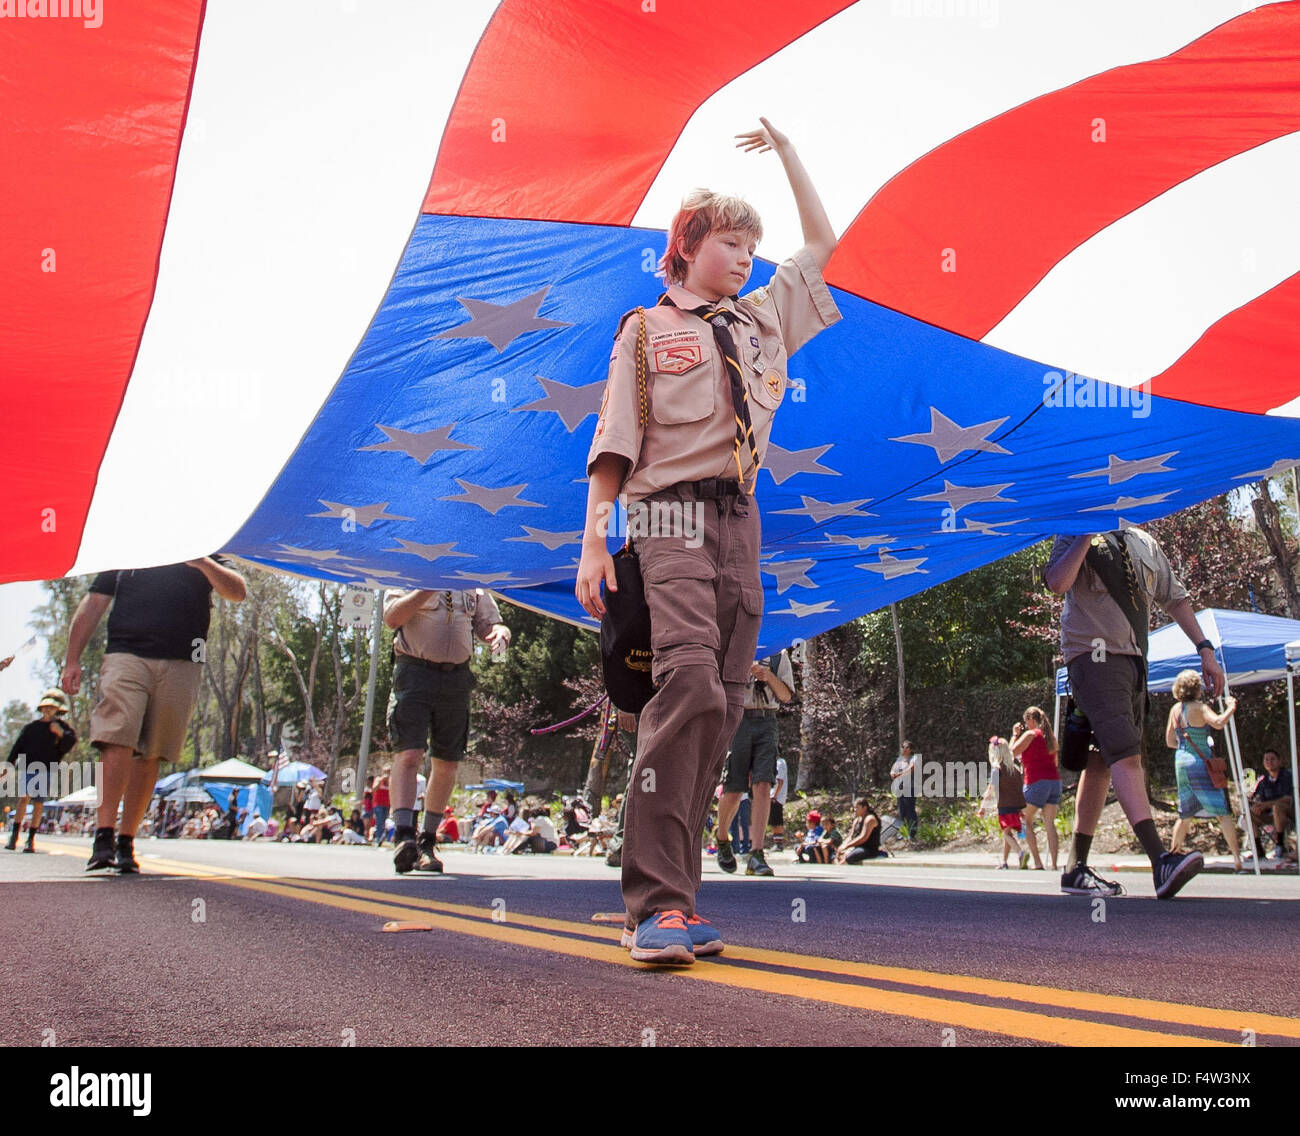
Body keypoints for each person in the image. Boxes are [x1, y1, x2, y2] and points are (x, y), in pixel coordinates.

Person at [575, 119, 840, 965]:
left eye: (753, 245)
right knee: (684, 680)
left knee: (722, 704)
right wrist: (593, 541)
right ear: (686, 248)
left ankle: (678, 903)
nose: (746, 258)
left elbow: (824, 242)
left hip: (739, 519)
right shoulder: (646, 331)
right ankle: (650, 902)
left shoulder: (761, 321)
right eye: (729, 241)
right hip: (665, 515)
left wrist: (792, 154)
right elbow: (614, 442)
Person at [1046, 528, 1223, 899]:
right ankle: (1161, 861)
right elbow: (1058, 582)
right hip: (1093, 656)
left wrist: (1204, 649)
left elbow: (1175, 598)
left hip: (1134, 662)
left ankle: (1075, 868)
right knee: (1127, 754)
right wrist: (1085, 535)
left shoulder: (1144, 542)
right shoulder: (1076, 530)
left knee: (1100, 762)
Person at [62, 556, 247, 873]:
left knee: (152, 753)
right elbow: (94, 603)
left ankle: (126, 841)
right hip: (126, 654)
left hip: (183, 662)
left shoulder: (207, 542)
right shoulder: (132, 543)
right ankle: (103, 837)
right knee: (116, 737)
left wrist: (203, 563)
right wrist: (71, 660)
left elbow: (237, 591)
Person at [383, 588, 510, 874]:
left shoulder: (471, 581)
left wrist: (500, 632)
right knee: (409, 753)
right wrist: (426, 587)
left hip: (457, 678)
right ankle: (404, 837)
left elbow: (489, 624)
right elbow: (392, 617)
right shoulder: (410, 571)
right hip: (414, 672)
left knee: (447, 761)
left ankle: (427, 842)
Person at [716, 649, 794, 877]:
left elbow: (786, 696)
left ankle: (757, 852)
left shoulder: (780, 654)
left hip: (767, 721)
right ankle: (722, 838)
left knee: (763, 785)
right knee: (733, 788)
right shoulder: (734, 644)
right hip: (738, 719)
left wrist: (768, 675)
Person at [1165, 671, 1241, 870]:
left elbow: (1170, 740)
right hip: (1201, 762)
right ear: (1197, 688)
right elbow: (1218, 723)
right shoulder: (1200, 707)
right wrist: (1231, 708)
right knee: (1222, 811)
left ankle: (1173, 856)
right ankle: (1237, 859)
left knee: (1185, 813)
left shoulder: (1175, 709)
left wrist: (1185, 747)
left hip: (1181, 761)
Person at [5, 689, 77, 854]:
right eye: (45, 707)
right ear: (41, 708)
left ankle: (30, 839)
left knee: (38, 802)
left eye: (52, 708)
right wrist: (8, 765)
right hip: (27, 767)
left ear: (57, 710)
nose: (48, 710)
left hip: (47, 768)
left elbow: (69, 743)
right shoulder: (31, 728)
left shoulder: (62, 728)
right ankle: (14, 836)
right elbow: (18, 746)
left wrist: (60, 734)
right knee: (23, 799)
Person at [1010, 706, 1061, 871]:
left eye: (1026, 722)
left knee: (1025, 819)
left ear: (1031, 720)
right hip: (1054, 782)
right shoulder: (1051, 736)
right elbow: (1056, 763)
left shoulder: (1030, 734)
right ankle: (1054, 864)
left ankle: (1038, 863)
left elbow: (1011, 752)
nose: (1026, 725)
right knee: (1050, 824)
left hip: (1036, 781)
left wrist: (1014, 735)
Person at [978, 738, 1030, 869]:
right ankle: (1004, 862)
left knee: (1006, 833)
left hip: (1004, 806)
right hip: (1016, 805)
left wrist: (982, 807)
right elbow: (1020, 788)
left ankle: (1021, 853)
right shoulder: (1015, 770)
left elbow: (991, 789)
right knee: (1008, 833)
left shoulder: (997, 770)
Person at [1248, 749, 1295, 861]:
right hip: (1268, 815)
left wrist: (1266, 805)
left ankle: (1280, 845)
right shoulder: (1263, 780)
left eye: (1272, 759)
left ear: (1279, 761)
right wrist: (1257, 806)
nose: (1269, 762)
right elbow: (1257, 798)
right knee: (1249, 813)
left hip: (1287, 813)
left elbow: (1288, 799)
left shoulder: (1287, 776)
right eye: (1266, 759)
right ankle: (1259, 850)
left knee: (1277, 807)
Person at [837, 798, 887, 863]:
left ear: (864, 808)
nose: (854, 810)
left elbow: (863, 838)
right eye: (854, 808)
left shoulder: (870, 819)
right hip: (857, 847)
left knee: (849, 857)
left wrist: (847, 846)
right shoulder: (856, 820)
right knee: (840, 853)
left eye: (857, 808)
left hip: (868, 849)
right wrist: (842, 846)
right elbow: (850, 836)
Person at [890, 741, 920, 840]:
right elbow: (893, 769)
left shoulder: (914, 758)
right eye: (902, 747)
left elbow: (911, 769)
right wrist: (893, 774)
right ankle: (903, 832)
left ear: (910, 749)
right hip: (900, 787)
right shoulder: (899, 759)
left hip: (910, 787)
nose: (904, 749)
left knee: (910, 810)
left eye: (906, 747)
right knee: (902, 810)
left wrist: (899, 774)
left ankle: (912, 833)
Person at [770, 754, 789, 851]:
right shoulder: (777, 762)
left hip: (776, 797)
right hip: (774, 795)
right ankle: (776, 841)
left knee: (777, 820)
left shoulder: (779, 763)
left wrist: (775, 795)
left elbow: (780, 781)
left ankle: (779, 844)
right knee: (773, 821)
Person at [371, 769, 390, 845]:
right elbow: (374, 789)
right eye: (386, 772)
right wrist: (381, 781)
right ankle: (377, 838)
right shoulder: (378, 780)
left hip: (387, 804)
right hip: (378, 804)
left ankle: (382, 837)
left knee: (384, 821)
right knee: (379, 821)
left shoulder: (390, 781)